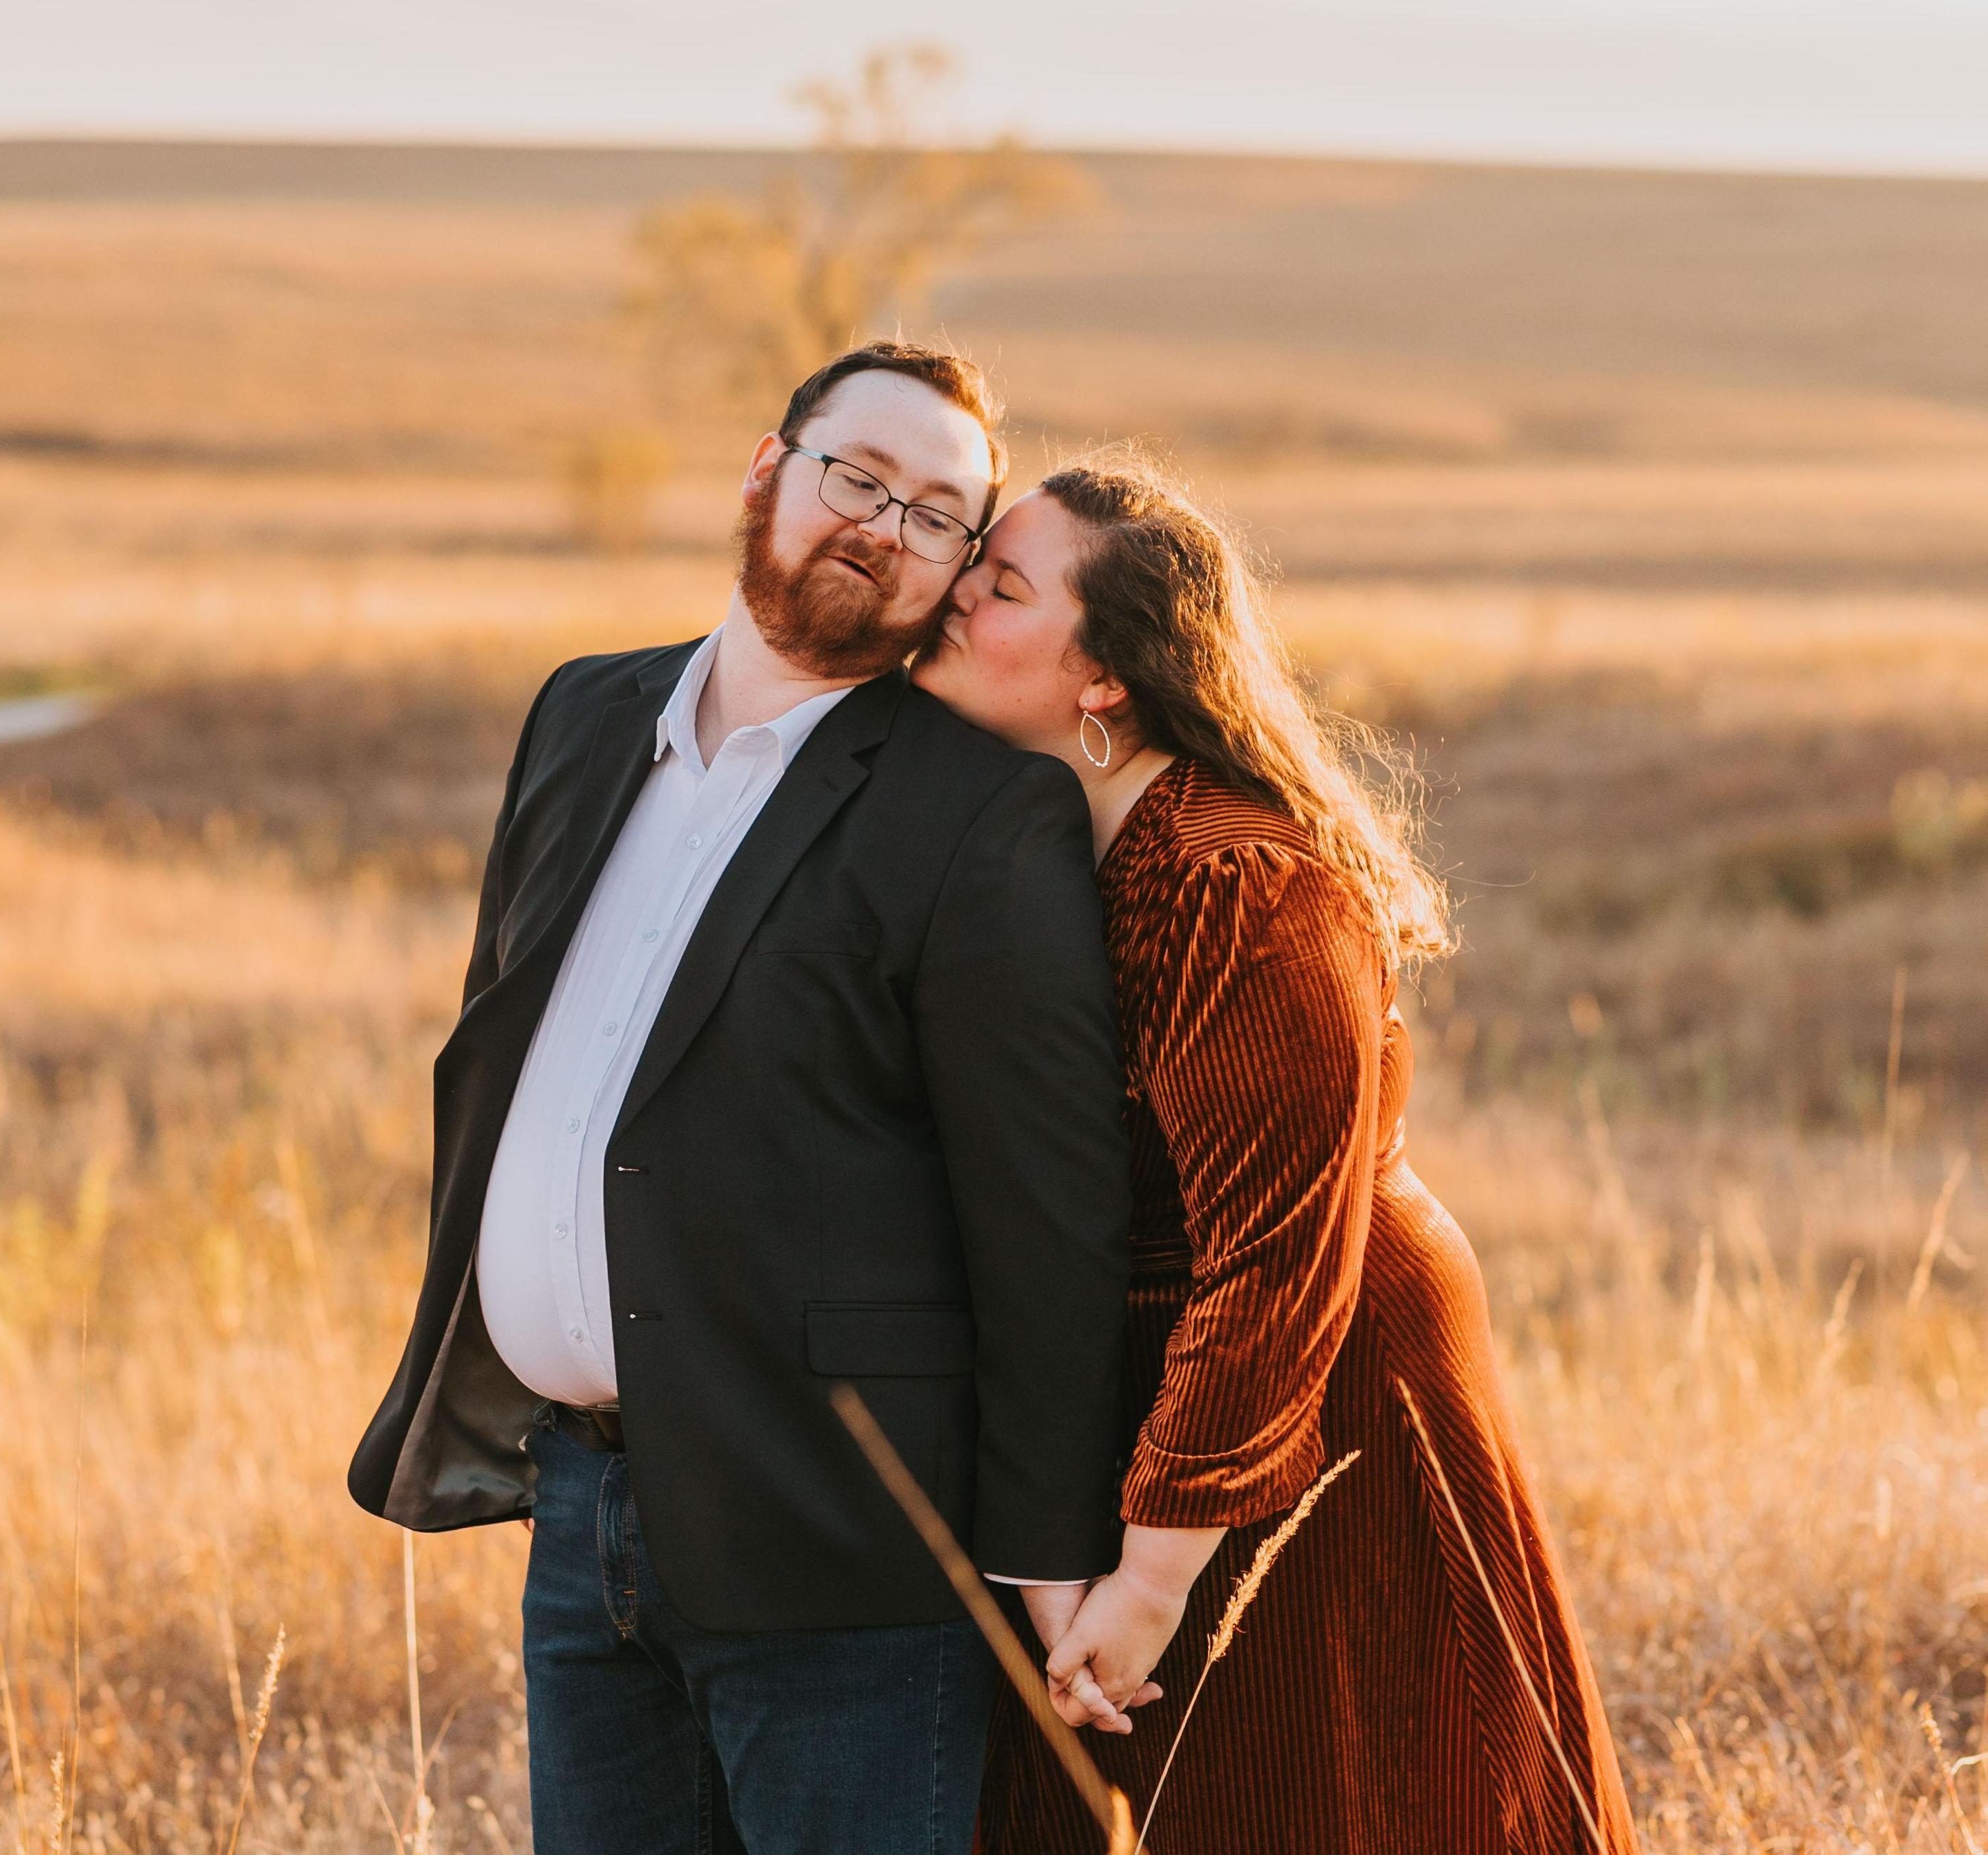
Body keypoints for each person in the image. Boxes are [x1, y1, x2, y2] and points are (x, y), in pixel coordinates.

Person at [349, 343, 1133, 1855]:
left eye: (936, 517)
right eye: (859, 477)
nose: (884, 529)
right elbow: (508, 1036)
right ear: (769, 471)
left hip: (843, 1551)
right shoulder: (582, 713)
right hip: (580, 1513)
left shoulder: (979, 810)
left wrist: (1048, 1550)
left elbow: (1048, 1215)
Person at [914, 455, 1639, 1854]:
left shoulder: (1236, 883)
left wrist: (1150, 1578)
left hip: (1315, 1387)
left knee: (1334, 1790)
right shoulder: (1058, 845)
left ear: (1102, 678)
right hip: (1148, 1391)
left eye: (999, 585)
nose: (953, 594)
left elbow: (1266, 1262)